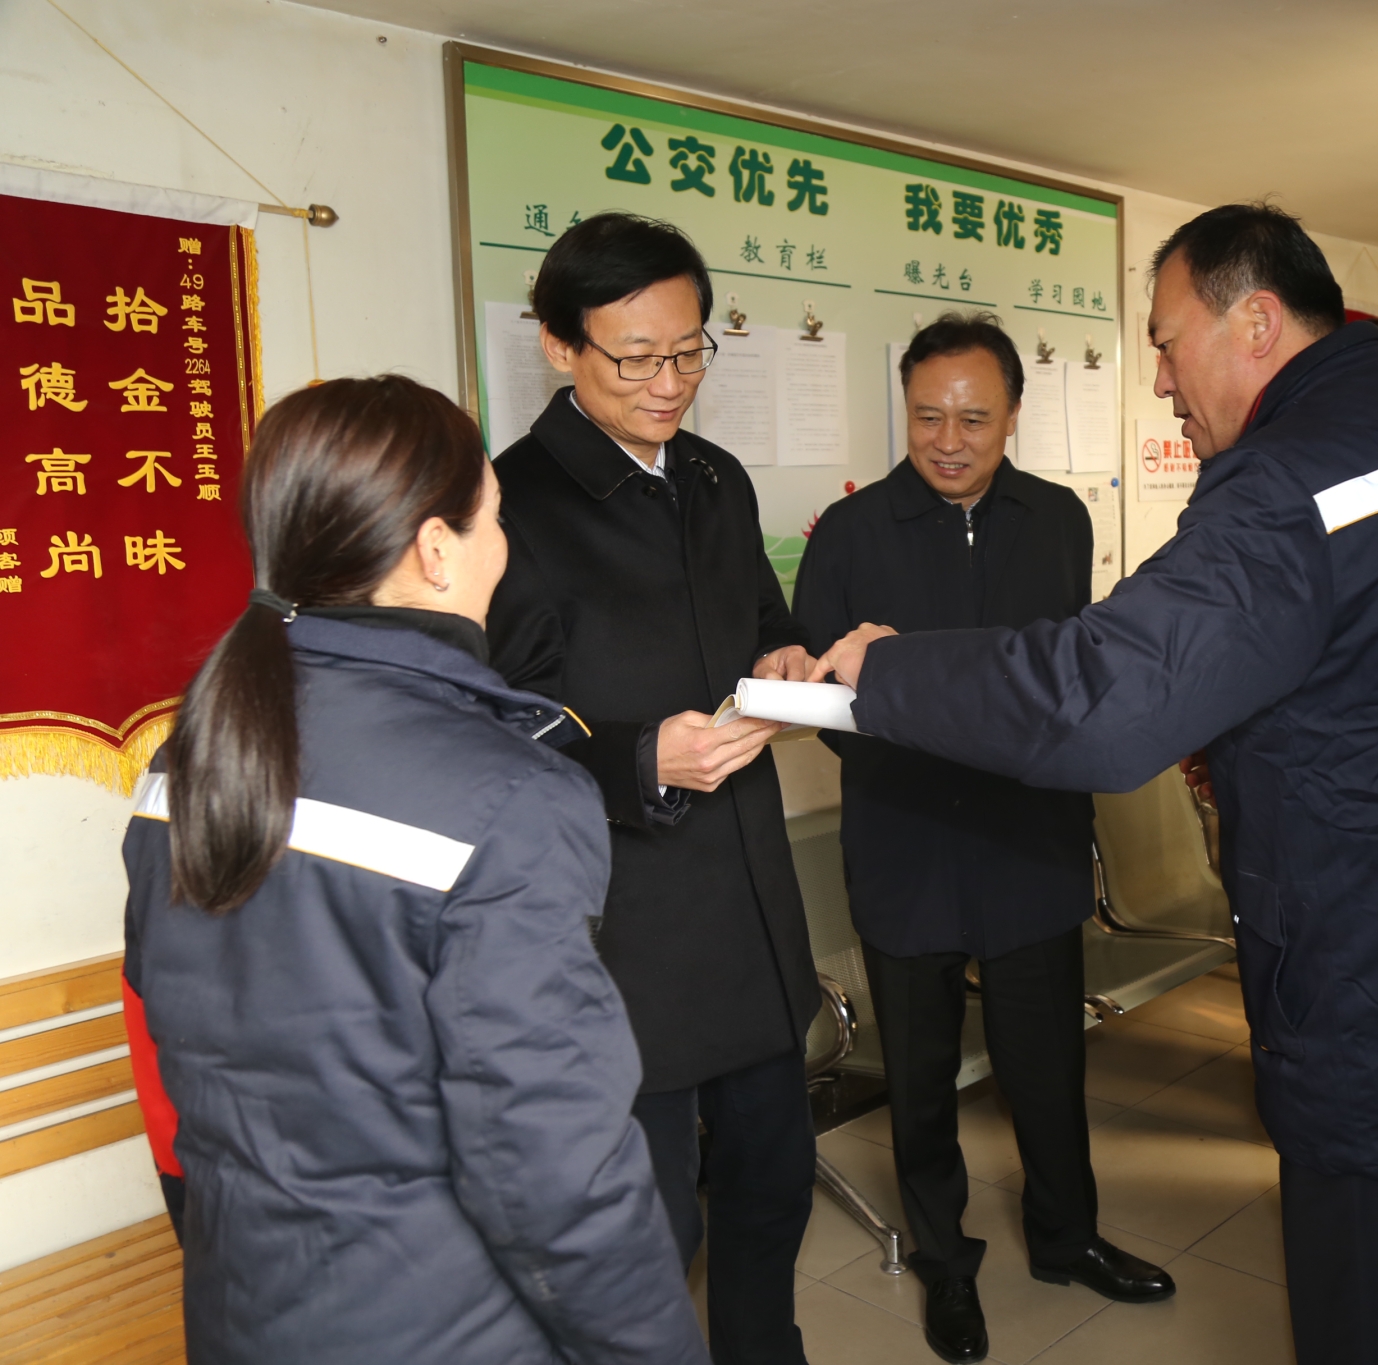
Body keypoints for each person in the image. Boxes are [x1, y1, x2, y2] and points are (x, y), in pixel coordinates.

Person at [811, 203, 1378, 1365]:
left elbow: (1107, 699)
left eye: (1165, 342)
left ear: (1254, 323)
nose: (1159, 379)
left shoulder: (1286, 479)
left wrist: (889, 670)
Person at [120, 376, 705, 1364]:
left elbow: (173, 1051)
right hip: (447, 1328)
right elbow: (553, 1168)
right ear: (437, 551)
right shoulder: (511, 795)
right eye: (496, 517)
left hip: (243, 1308)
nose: (504, 544)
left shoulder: (190, 757)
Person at [792, 313, 1173, 1365]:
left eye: (972, 418)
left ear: (1012, 415)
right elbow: (825, 699)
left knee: (1046, 1065)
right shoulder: (850, 532)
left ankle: (1067, 1237)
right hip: (907, 839)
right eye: (927, 417)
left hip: (1026, 839)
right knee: (919, 1081)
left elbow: (1062, 675)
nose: (948, 441)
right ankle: (944, 1265)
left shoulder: (1056, 519)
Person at [486, 212, 820, 1365]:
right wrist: (643, 761)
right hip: (623, 935)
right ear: (558, 346)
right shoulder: (508, 507)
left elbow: (764, 623)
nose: (669, 383)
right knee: (651, 1230)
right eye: (636, 359)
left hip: (753, 908)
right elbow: (498, 728)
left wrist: (787, 664)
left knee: (775, 1188)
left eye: (688, 352)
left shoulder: (716, 480)